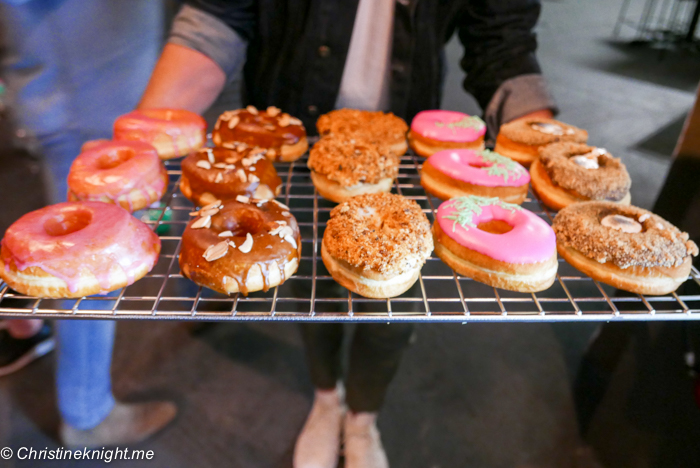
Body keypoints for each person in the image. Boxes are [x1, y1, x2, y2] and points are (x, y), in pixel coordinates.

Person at [139, 1, 556, 466]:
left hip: (402, 150)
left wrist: (548, 147)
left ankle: (362, 419)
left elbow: (502, 37)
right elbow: (218, 17)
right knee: (311, 286)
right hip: (300, 142)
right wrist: (144, 138)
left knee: (393, 309)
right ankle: (325, 401)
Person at [0, 0, 176, 446]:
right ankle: (87, 415)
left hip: (78, 82)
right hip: (85, 92)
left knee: (66, 246)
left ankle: (26, 329)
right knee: (85, 266)